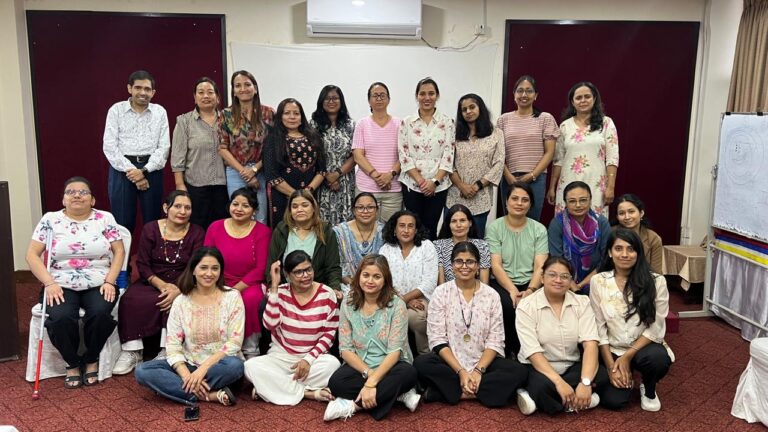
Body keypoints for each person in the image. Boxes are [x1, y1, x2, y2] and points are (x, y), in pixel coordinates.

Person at [25, 176, 125, 388]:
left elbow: (119, 251)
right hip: (59, 284)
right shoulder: (50, 220)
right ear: (63, 200)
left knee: (99, 313)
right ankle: (71, 362)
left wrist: (110, 281)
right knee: (60, 318)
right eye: (71, 192)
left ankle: (90, 358)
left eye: (83, 192)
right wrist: (49, 283)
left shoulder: (105, 218)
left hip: (99, 281)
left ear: (93, 200)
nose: (77, 195)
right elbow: (32, 255)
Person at [414, 241, 528, 407]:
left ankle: (447, 393)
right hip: (451, 362)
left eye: (470, 261)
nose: (464, 266)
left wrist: (477, 371)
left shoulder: (491, 295)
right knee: (420, 364)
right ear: (452, 265)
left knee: (520, 371)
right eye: (459, 261)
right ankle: (486, 392)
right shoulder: (441, 292)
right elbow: (437, 339)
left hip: (483, 362)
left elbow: (495, 340)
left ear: (478, 266)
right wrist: (461, 371)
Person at [134, 247, 244, 406]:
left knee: (235, 366)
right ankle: (209, 395)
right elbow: (172, 345)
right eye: (203, 268)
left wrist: (203, 369)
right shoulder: (181, 301)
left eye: (215, 268)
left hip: (218, 366)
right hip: (189, 364)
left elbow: (234, 343)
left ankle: (181, 390)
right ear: (193, 270)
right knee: (142, 371)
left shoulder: (232, 296)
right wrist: (186, 375)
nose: (209, 273)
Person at [114, 191, 205, 375]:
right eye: (177, 206)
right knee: (131, 299)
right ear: (166, 208)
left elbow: (195, 265)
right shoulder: (151, 229)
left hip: (184, 281)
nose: (182, 211)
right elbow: (143, 264)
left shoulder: (197, 232)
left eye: (187, 207)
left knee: (176, 302)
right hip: (153, 280)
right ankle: (133, 350)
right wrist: (162, 285)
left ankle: (167, 350)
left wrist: (178, 289)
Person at [324, 255, 419, 421]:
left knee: (409, 373)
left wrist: (370, 384)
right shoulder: (348, 302)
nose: (370, 281)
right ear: (358, 275)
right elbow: (345, 350)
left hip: (392, 366)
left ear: (385, 279)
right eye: (366, 275)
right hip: (362, 367)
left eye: (377, 276)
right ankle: (398, 394)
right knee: (336, 382)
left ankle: (353, 406)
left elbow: (395, 352)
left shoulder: (397, 305)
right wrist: (369, 376)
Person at [515, 256, 609, 415]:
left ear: (571, 280)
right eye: (552, 275)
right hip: (539, 368)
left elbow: (590, 344)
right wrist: (559, 383)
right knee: (542, 387)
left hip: (571, 365)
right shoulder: (526, 306)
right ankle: (577, 402)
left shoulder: (582, 302)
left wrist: (585, 382)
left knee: (601, 375)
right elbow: (532, 352)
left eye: (565, 276)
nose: (558, 280)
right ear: (542, 277)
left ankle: (541, 401)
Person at [244, 251, 341, 405]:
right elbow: (270, 325)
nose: (306, 275)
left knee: (333, 365)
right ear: (288, 275)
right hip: (281, 357)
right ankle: (308, 393)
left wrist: (308, 360)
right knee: (250, 366)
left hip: (313, 359)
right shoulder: (280, 292)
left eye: (308, 269)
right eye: (298, 272)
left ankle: (272, 388)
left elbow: (328, 336)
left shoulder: (327, 294)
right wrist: (274, 288)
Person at [591, 228, 672, 411]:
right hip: (611, 348)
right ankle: (617, 376)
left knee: (658, 359)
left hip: (643, 346)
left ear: (638, 253)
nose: (625, 254)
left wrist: (627, 357)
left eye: (631, 249)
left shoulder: (656, 281)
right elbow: (599, 327)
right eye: (619, 249)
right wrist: (612, 366)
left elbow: (656, 328)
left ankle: (648, 386)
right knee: (614, 401)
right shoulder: (598, 281)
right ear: (610, 252)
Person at [204, 188, 271, 358]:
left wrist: (235, 290)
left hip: (250, 283)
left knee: (249, 299)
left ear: (254, 210)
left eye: (245, 206)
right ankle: (216, 347)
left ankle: (250, 348)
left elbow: (261, 268)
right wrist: (217, 284)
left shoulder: (263, 232)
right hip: (218, 280)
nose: (239, 209)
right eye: (235, 204)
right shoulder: (215, 227)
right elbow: (206, 259)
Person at [486, 182, 549, 357]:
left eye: (524, 200)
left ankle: (532, 352)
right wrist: (512, 290)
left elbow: (540, 267)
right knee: (506, 304)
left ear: (530, 205)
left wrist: (529, 290)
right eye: (514, 198)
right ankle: (508, 351)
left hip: (532, 283)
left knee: (533, 305)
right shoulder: (494, 227)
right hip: (503, 282)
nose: (519, 203)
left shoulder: (539, 229)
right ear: (506, 202)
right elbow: (496, 265)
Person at [103, 70, 169, 235]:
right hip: (122, 171)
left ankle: (151, 261)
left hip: (151, 169)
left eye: (147, 89)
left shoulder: (160, 112)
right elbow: (110, 146)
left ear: (153, 92)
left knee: (153, 223)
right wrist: (133, 172)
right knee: (122, 224)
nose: (142, 92)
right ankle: (123, 261)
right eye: (138, 88)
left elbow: (164, 147)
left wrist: (144, 171)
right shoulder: (116, 110)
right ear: (129, 89)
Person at [548, 81, 619, 217]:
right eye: (578, 98)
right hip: (568, 183)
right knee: (566, 226)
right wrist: (552, 187)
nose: (583, 100)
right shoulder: (564, 126)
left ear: (594, 99)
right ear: (572, 102)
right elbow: (558, 160)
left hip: (596, 185)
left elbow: (612, 159)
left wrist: (610, 187)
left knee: (595, 227)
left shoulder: (606, 123)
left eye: (587, 96)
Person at [398, 77, 456, 239]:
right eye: (422, 94)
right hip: (412, 184)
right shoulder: (407, 122)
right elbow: (403, 155)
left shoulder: (448, 122)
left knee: (431, 227)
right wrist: (421, 182)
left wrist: (434, 182)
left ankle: (430, 263)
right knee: (412, 227)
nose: (427, 98)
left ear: (437, 96)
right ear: (417, 96)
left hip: (439, 185)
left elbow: (448, 154)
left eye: (431, 93)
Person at [496, 75, 560, 221]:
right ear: (514, 94)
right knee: (510, 220)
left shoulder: (545, 118)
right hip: (509, 177)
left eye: (529, 91)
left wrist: (532, 175)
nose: (524, 95)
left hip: (536, 178)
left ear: (536, 95)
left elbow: (550, 152)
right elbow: (498, 153)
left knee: (531, 221)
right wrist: (508, 176)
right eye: (520, 91)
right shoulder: (503, 120)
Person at [171, 77, 229, 229]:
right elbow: (177, 158)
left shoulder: (227, 120)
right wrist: (180, 185)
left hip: (224, 186)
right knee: (197, 229)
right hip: (195, 187)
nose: (206, 96)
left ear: (217, 97)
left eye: (210, 92)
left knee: (221, 229)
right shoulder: (184, 121)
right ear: (194, 97)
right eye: (201, 92)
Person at [218, 70, 275, 224]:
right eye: (238, 86)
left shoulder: (269, 113)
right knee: (238, 215)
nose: (243, 88)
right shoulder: (226, 114)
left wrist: (254, 170)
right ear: (234, 92)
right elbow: (222, 148)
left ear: (255, 88)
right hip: (235, 171)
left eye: (247, 84)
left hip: (262, 171)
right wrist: (244, 172)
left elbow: (273, 147)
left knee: (260, 216)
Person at [378, 210, 438, 355]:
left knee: (416, 318)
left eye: (410, 226)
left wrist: (405, 300)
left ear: (416, 229)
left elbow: (429, 281)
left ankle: (426, 356)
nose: (406, 230)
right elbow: (383, 280)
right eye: (402, 226)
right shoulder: (386, 249)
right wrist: (402, 301)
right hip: (390, 298)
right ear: (394, 229)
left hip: (420, 298)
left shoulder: (426, 246)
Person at [447, 93, 504, 237]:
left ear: (481, 108)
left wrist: (477, 186)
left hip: (481, 196)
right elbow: (448, 162)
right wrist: (462, 186)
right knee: (452, 238)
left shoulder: (496, 133)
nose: (468, 112)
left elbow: (499, 163)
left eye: (472, 107)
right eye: (464, 109)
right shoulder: (453, 134)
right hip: (455, 195)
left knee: (476, 239)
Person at [264, 98, 326, 226]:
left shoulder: (314, 137)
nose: (292, 117)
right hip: (282, 197)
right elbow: (271, 173)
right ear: (280, 116)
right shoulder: (273, 139)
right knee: (284, 232)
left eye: (296, 113)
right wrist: (296, 196)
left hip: (309, 196)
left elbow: (321, 170)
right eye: (287, 113)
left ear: (301, 116)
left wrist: (307, 193)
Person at [266, 189, 342, 294]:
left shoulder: (326, 231)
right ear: (290, 211)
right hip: (286, 290)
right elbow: (272, 264)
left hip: (317, 290)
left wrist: (335, 288)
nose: (299, 209)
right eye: (295, 206)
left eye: (305, 205)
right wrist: (273, 287)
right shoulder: (281, 230)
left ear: (314, 208)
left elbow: (333, 267)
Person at [548, 181, 611, 295]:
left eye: (583, 200)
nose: (578, 205)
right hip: (563, 279)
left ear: (590, 200)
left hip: (598, 277)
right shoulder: (557, 223)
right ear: (565, 203)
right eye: (572, 201)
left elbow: (605, 259)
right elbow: (557, 258)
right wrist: (571, 284)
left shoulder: (601, 222)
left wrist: (581, 285)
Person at [352, 82, 402, 223]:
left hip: (393, 188)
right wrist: (377, 177)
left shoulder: (400, 124)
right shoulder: (362, 124)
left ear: (389, 99)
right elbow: (357, 155)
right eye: (375, 95)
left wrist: (390, 175)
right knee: (365, 228)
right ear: (369, 100)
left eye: (382, 95)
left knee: (390, 232)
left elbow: (405, 155)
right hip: (366, 188)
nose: (379, 98)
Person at [311, 85, 356, 226]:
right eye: (327, 98)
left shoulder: (351, 125)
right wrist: (327, 177)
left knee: (346, 225)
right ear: (321, 102)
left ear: (341, 101)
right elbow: (312, 154)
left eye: (335, 98)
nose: (331, 101)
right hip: (321, 181)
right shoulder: (313, 125)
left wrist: (337, 174)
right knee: (323, 224)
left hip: (345, 181)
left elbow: (356, 155)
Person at [333, 192, 385, 293]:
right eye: (360, 207)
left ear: (377, 210)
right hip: (347, 284)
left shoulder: (384, 232)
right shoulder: (340, 232)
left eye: (370, 207)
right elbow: (337, 265)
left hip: (378, 285)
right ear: (353, 210)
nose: (365, 211)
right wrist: (356, 285)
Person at [434, 204, 491, 285]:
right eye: (454, 221)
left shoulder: (482, 245)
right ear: (448, 224)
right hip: (448, 293)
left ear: (470, 223)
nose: (458, 225)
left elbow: (484, 283)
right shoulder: (439, 245)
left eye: (462, 220)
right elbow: (441, 284)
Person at [614, 194, 663, 274]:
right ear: (617, 217)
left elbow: (656, 273)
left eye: (631, 211)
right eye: (622, 213)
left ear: (641, 213)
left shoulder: (653, 238)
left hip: (644, 281)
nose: (627, 217)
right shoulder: (610, 234)